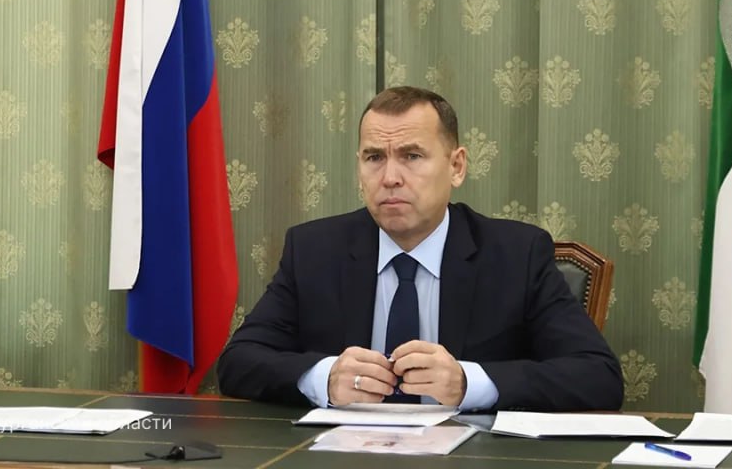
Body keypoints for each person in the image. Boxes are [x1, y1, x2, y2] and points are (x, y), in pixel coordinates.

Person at [216, 86, 623, 412]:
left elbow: (598, 376)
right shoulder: (313, 250)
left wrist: (467, 383)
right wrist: (324, 378)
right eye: (374, 157)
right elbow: (238, 361)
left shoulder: (517, 254)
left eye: (411, 156)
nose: (390, 177)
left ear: (456, 166)